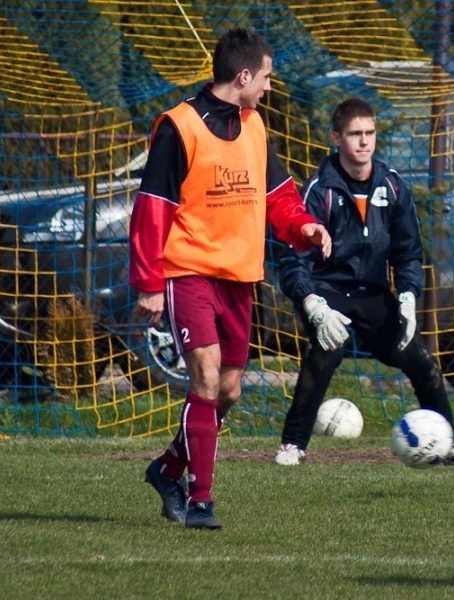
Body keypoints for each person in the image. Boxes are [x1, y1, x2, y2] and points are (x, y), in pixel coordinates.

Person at [129, 28, 331, 529]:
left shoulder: (256, 125)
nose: (268, 86)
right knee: (206, 376)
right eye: (265, 78)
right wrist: (150, 283)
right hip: (189, 272)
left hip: (241, 279)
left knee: (231, 390)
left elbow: (278, 194)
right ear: (243, 76)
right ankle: (201, 500)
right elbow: (152, 210)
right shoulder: (178, 127)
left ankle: (167, 468)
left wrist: (304, 226)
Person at [274, 98, 454, 468]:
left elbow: (408, 252)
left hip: (373, 293)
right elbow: (293, 260)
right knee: (326, 353)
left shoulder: (393, 185)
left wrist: (407, 297)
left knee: (419, 359)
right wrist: (311, 303)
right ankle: (293, 444)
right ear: (337, 137)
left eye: (370, 133)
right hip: (327, 291)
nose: (364, 141)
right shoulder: (319, 189)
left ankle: (453, 443)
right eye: (355, 134)